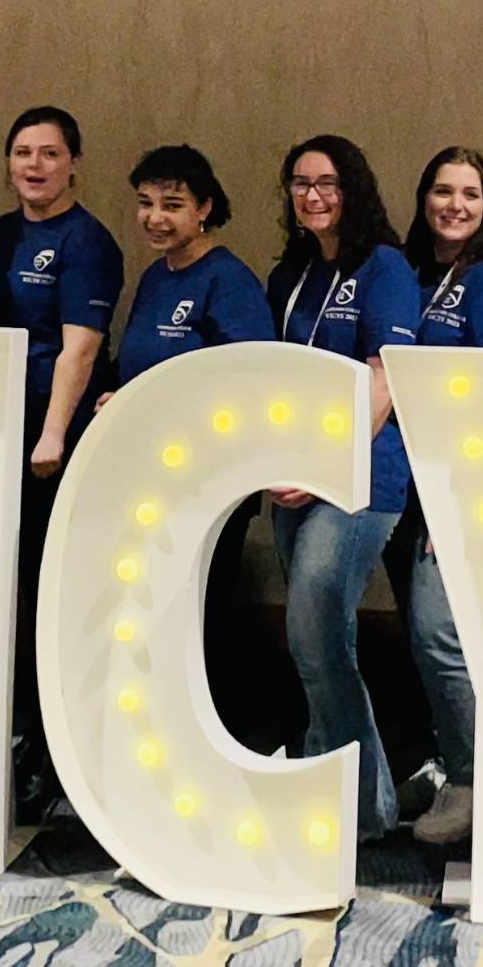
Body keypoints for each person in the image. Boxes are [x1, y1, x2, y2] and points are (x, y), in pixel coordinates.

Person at [100, 145, 281, 754]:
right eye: (146, 204)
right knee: (156, 613)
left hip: (210, 484)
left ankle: (211, 744)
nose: (156, 217)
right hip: (152, 482)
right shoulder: (155, 276)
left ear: (204, 208)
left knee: (199, 616)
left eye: (172, 205)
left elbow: (250, 379)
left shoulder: (227, 280)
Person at [263, 135, 420, 839]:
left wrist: (325, 465)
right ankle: (360, 796)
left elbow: (385, 378)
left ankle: (355, 808)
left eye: (326, 183)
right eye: (299, 183)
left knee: (314, 627)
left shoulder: (384, 268)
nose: (312, 196)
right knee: (317, 642)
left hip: (362, 478)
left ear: (352, 190)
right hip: (293, 480)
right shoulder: (292, 272)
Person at [0, 107, 124, 817]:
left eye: (48, 154)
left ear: (74, 163)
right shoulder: (1, 235)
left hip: (52, 444)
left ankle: (54, 750)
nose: (33, 166)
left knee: (50, 594)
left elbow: (81, 347)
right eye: (21, 153)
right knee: (1, 590)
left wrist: (52, 433)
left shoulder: (87, 242)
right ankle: (12, 735)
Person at [389, 147, 483, 845]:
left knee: (440, 633)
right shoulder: (407, 274)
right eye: (442, 191)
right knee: (419, 635)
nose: (455, 205)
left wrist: (459, 495)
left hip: (456, 484)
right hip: (400, 480)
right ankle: (450, 766)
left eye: (470, 194)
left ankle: (480, 779)